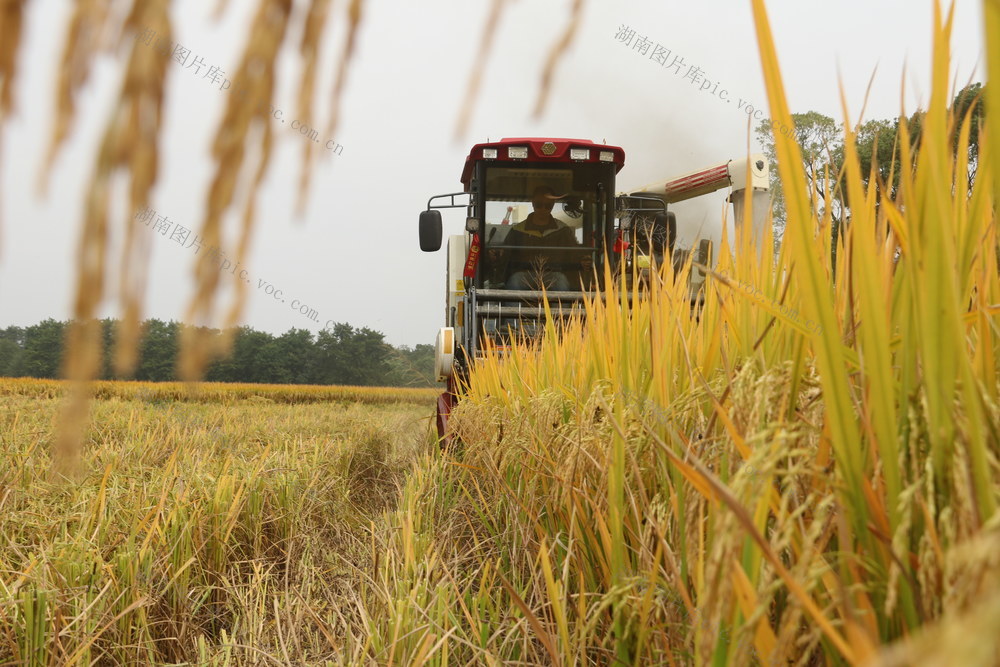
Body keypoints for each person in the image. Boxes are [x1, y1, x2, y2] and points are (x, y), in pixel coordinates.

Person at [499, 185, 591, 291]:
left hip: (554, 274)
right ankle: (513, 309)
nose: (543, 209)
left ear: (552, 205)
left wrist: (582, 260)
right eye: (539, 205)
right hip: (524, 274)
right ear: (533, 203)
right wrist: (495, 256)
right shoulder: (517, 230)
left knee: (561, 282)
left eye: (548, 205)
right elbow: (505, 255)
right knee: (514, 282)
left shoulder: (563, 230)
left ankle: (561, 308)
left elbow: (574, 254)